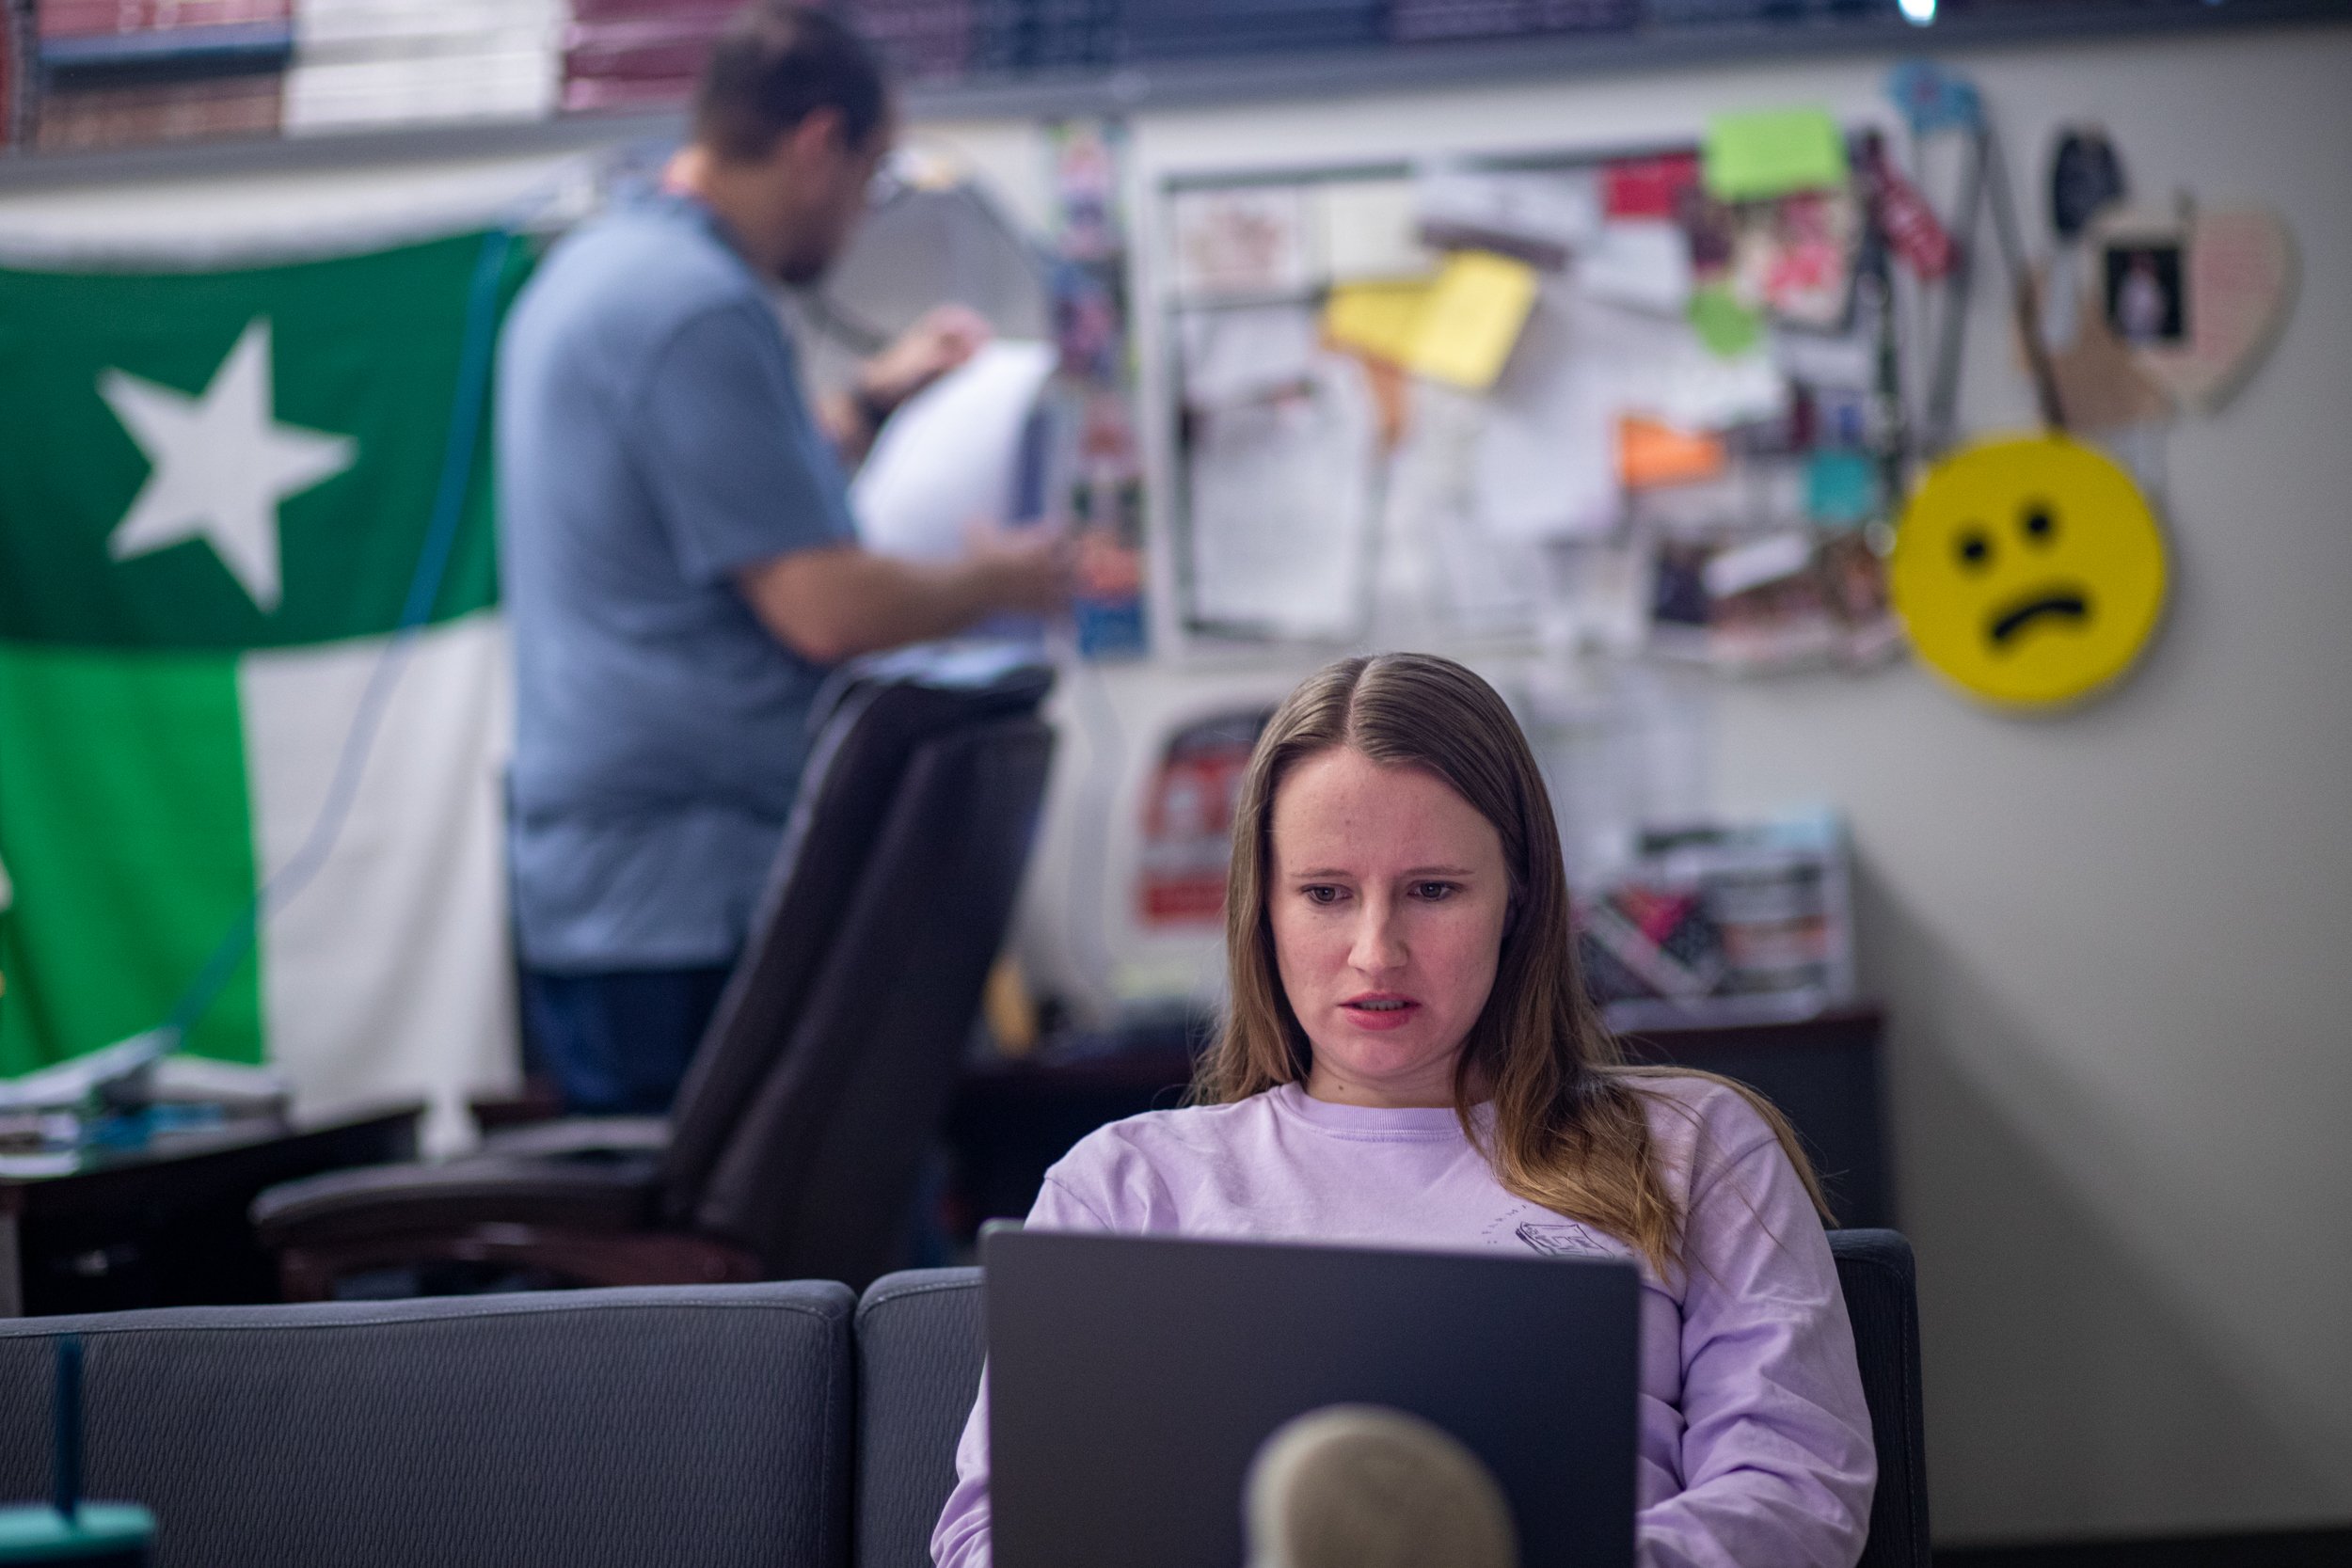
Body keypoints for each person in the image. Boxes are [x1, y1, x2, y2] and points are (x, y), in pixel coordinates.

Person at [931, 653, 1875, 1568]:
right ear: (1262, 909)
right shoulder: (1125, 1184)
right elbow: (987, 1536)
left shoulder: (1694, 1145)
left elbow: (1797, 1487)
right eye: (1325, 893)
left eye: (1431, 890)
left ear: (1518, 897)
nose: (1375, 951)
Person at [497, 2, 1070, 1114]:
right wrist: (1002, 580)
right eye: (867, 180)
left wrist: (870, 399)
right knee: (789, 1266)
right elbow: (821, 608)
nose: (857, 218)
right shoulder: (699, 309)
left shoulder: (598, 272)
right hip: (687, 899)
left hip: (609, 895)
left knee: (680, 1277)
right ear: (818, 145)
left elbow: (710, 508)